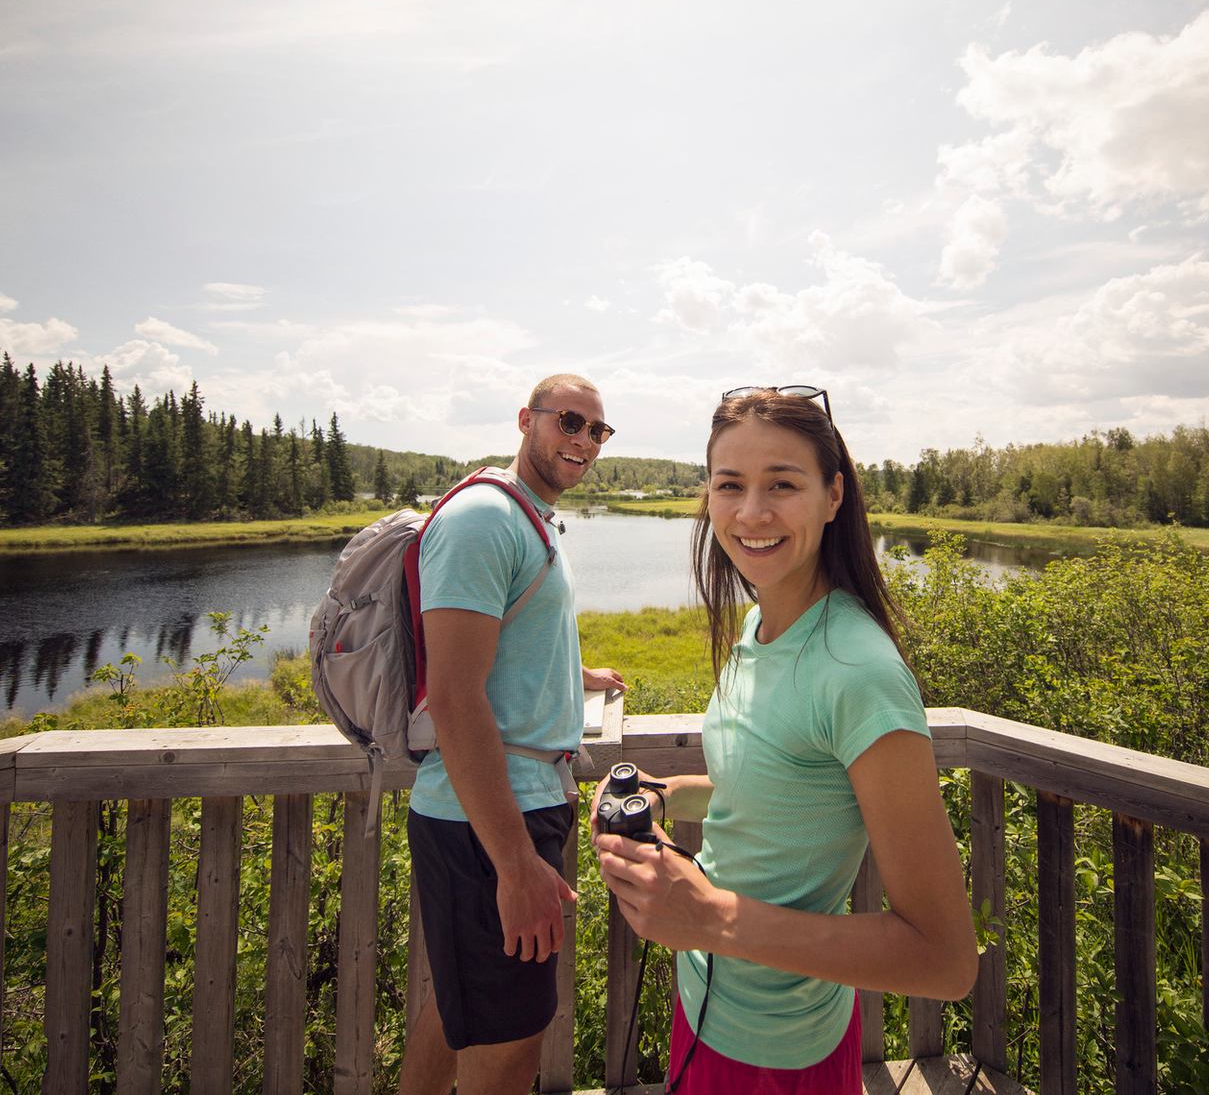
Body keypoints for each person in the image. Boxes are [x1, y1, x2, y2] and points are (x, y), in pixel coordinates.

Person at [595, 385, 976, 1093]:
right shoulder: (759, 628)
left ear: (835, 496)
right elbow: (793, 790)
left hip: (779, 1049)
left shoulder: (856, 672)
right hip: (706, 1002)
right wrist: (673, 793)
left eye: (782, 484)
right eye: (729, 486)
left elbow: (945, 960)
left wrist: (709, 918)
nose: (751, 512)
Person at [398, 373, 628, 1095]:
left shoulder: (527, 518)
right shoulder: (484, 520)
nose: (584, 441)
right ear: (526, 420)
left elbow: (501, 643)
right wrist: (517, 864)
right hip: (488, 823)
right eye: (569, 421)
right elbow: (457, 698)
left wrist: (572, 672)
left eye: (598, 430)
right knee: (509, 1048)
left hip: (509, 808)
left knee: (465, 1009)